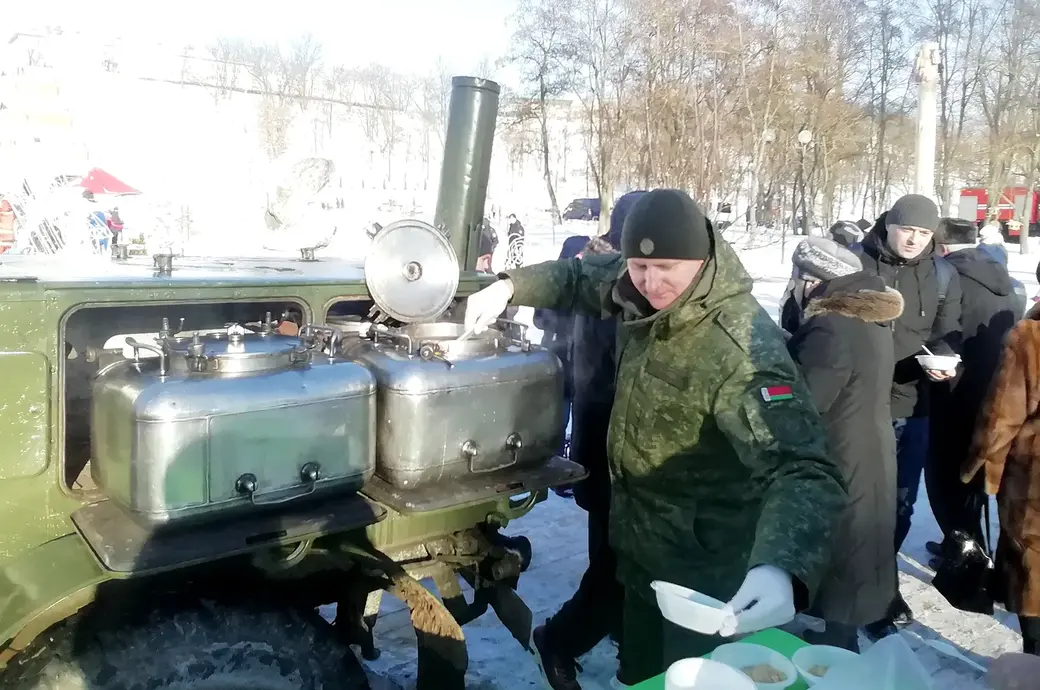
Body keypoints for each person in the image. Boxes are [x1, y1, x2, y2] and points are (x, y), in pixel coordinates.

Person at [464, 188, 847, 686]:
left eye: (667, 267)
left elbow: (803, 468)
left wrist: (783, 566)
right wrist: (509, 287)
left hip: (705, 579)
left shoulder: (739, 345)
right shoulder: (635, 285)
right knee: (641, 677)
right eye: (641, 267)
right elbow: (581, 277)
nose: (651, 282)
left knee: (693, 679)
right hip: (640, 558)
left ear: (702, 258)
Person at [532, 191, 646, 690]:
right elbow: (602, 378)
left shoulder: (621, 282)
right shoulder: (612, 290)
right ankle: (561, 639)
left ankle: (623, 635)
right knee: (614, 565)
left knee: (623, 562)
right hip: (610, 447)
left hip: (622, 449)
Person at [786, 237, 903, 652]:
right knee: (858, 551)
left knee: (843, 555)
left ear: (816, 281)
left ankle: (836, 651)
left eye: (801, 277)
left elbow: (807, 401)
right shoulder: (869, 319)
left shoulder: (829, 326)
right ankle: (837, 637)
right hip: (868, 448)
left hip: (841, 454)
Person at [854, 194, 962, 637]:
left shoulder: (942, 274)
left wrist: (943, 362)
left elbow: (946, 333)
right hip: (858, 402)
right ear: (890, 225)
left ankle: (882, 586)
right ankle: (841, 586)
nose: (914, 239)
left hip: (913, 405)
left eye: (923, 233)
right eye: (907, 230)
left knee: (899, 502)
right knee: (856, 500)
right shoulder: (856, 263)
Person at [925, 218, 1021, 566]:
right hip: (997, 390)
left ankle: (963, 548)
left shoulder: (947, 277)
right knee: (975, 470)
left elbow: (941, 332)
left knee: (946, 473)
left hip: (953, 390)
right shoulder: (1004, 278)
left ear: (943, 246)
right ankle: (968, 543)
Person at [963, 300, 1040, 656]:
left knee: (1033, 581)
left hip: (1034, 488)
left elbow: (1001, 416)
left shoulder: (1031, 337)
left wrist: (981, 470)